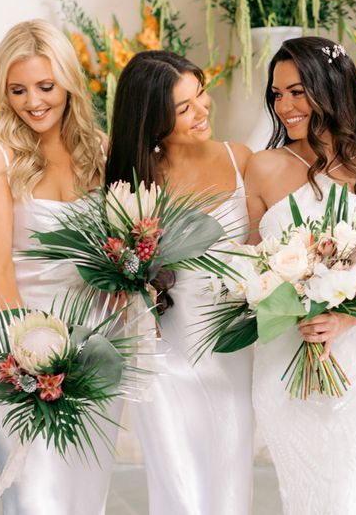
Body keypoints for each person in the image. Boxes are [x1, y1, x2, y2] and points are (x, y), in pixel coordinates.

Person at [245, 36, 356, 515]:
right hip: (285, 357)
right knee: (303, 494)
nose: (285, 106)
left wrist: (345, 321)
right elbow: (255, 267)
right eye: (277, 94)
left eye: (297, 91)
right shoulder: (264, 167)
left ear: (332, 87)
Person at [0, 19, 119, 514]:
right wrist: (29, 354)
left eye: (46, 86)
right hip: (16, 341)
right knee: (37, 499)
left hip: (94, 344)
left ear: (69, 82)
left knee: (84, 495)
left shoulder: (100, 148)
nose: (34, 101)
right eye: (18, 89)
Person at [105, 50, 253, 515]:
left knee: (229, 476)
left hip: (230, 348)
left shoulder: (241, 159)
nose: (201, 111)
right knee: (177, 485)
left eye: (201, 95)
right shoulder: (130, 181)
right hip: (162, 350)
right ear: (151, 120)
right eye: (183, 108)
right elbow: (116, 270)